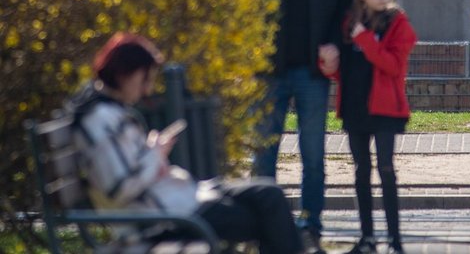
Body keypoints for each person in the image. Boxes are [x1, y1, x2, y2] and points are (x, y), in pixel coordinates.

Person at [68, 33, 304, 254]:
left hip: (182, 197)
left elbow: (128, 168)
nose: (148, 88)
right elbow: (119, 188)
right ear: (124, 74)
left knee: (268, 194)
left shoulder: (109, 112)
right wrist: (156, 155)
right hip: (165, 217)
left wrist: (152, 151)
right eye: (144, 79)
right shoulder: (99, 120)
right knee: (265, 217)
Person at [254, 0, 353, 252]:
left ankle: (311, 226)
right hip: (269, 72)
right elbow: (250, 9)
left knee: (313, 155)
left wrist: (334, 44)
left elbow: (344, 7)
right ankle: (264, 229)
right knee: (264, 153)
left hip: (313, 72)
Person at [329, 0, 416, 254]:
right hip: (355, 107)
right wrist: (328, 65)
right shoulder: (349, 23)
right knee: (360, 171)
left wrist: (364, 39)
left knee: (386, 169)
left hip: (385, 108)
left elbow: (392, 65)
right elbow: (345, 70)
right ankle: (367, 239)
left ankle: (395, 240)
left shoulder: (397, 23)